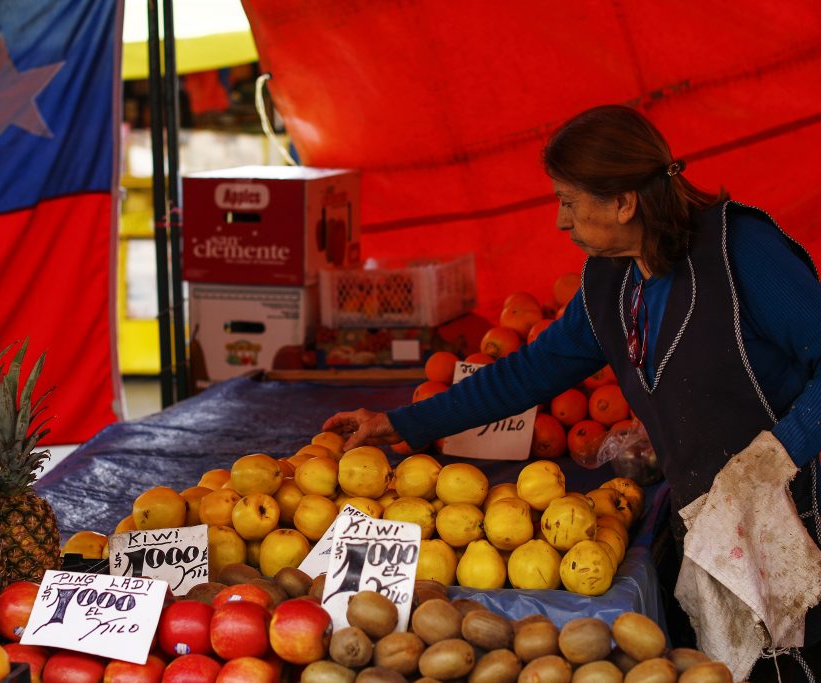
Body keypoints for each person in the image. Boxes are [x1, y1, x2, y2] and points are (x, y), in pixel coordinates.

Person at [322, 104, 821, 681]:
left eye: (567, 200)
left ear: (623, 202)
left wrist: (779, 452)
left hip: (795, 514)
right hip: (710, 522)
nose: (561, 221)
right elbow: (528, 372)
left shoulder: (742, 253)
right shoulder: (612, 280)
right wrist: (404, 424)